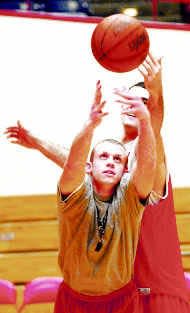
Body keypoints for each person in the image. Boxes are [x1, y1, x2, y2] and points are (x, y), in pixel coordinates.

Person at [5, 53, 190, 312]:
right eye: (129, 100)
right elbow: (80, 164)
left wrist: (156, 91)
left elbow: (155, 125)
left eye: (141, 101)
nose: (133, 106)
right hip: (126, 291)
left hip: (157, 290)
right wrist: (38, 142)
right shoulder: (114, 163)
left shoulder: (149, 155)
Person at [53, 79, 156, 313]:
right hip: (74, 299)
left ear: (125, 170)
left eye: (118, 159)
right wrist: (91, 125)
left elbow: (147, 168)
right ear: (89, 167)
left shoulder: (130, 197)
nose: (110, 162)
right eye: (103, 157)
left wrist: (145, 120)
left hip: (120, 301)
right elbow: (71, 166)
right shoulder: (76, 195)